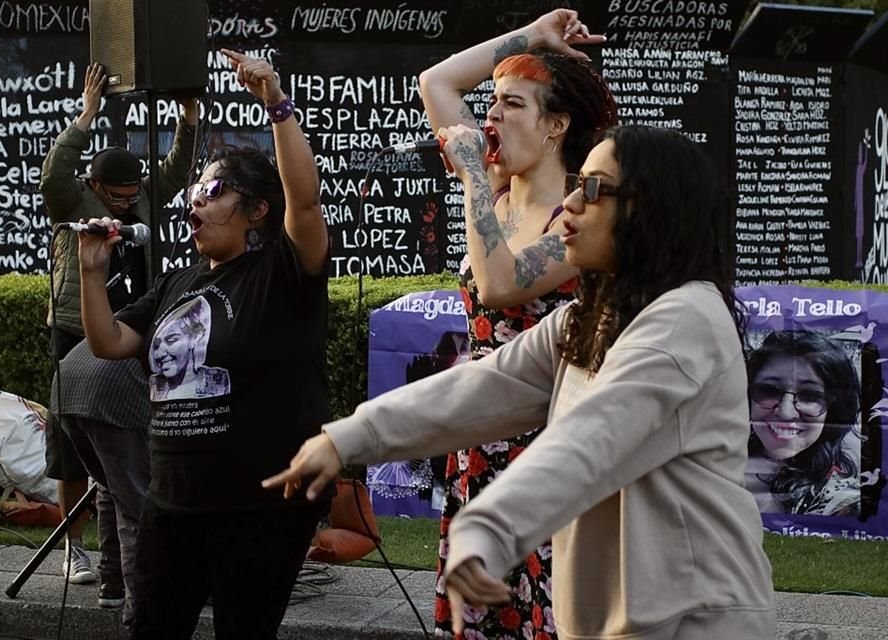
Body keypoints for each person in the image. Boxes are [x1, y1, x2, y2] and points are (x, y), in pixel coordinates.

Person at [265, 125, 777, 639]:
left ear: (652, 210)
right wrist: (346, 437)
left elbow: (591, 440)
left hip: (700, 622)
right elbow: (481, 389)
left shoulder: (685, 319)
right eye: (577, 183)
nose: (570, 203)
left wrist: (490, 528)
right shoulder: (594, 318)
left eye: (594, 189)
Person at [77, 52, 330, 640]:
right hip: (173, 503)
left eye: (213, 190)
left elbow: (307, 202)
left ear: (257, 211)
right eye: (194, 190)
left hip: (258, 508)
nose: (194, 201)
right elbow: (110, 341)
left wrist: (275, 100)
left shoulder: (280, 275)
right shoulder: (178, 282)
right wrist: (92, 273)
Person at [418, 8, 616, 636]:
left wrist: (474, 170)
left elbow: (500, 284)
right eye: (493, 102)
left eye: (511, 105)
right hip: (482, 442)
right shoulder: (495, 190)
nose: (490, 116)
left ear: (556, 125)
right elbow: (436, 83)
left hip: (548, 442)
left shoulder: (575, 216)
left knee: (552, 616)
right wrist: (532, 35)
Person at [40, 61, 198, 608]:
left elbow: (178, 169)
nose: (126, 204)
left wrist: (190, 117)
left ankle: (115, 574)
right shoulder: (73, 200)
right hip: (73, 327)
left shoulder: (144, 196)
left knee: (124, 444)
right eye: (117, 197)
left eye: (133, 196)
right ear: (95, 186)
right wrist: (86, 115)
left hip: (131, 328)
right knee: (71, 446)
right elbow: (53, 175)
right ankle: (74, 547)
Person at [51, 339, 151, 620]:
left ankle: (113, 585)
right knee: (136, 506)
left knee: (110, 486)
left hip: (67, 387)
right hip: (110, 391)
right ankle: (141, 613)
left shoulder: (146, 306)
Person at [745, 330, 862, 517]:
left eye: (809, 395)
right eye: (769, 390)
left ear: (833, 405)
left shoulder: (844, 501)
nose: (786, 412)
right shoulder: (714, 463)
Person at [149, 296, 230, 401]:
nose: (159, 354)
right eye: (156, 346)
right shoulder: (156, 384)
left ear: (195, 337)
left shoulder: (217, 380)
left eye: (172, 340)